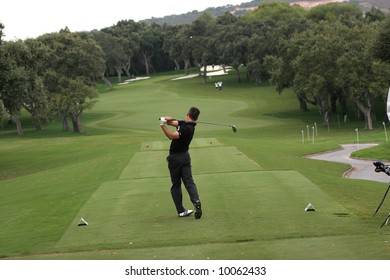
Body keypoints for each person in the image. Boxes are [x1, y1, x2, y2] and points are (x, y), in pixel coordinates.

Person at [160, 107, 202, 219]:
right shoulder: (188, 124)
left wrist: (162, 125)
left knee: (176, 184)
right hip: (185, 157)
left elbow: (171, 136)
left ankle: (181, 211)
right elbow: (174, 123)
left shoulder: (187, 128)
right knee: (189, 181)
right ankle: (196, 201)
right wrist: (167, 119)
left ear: (187, 114)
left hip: (175, 158)